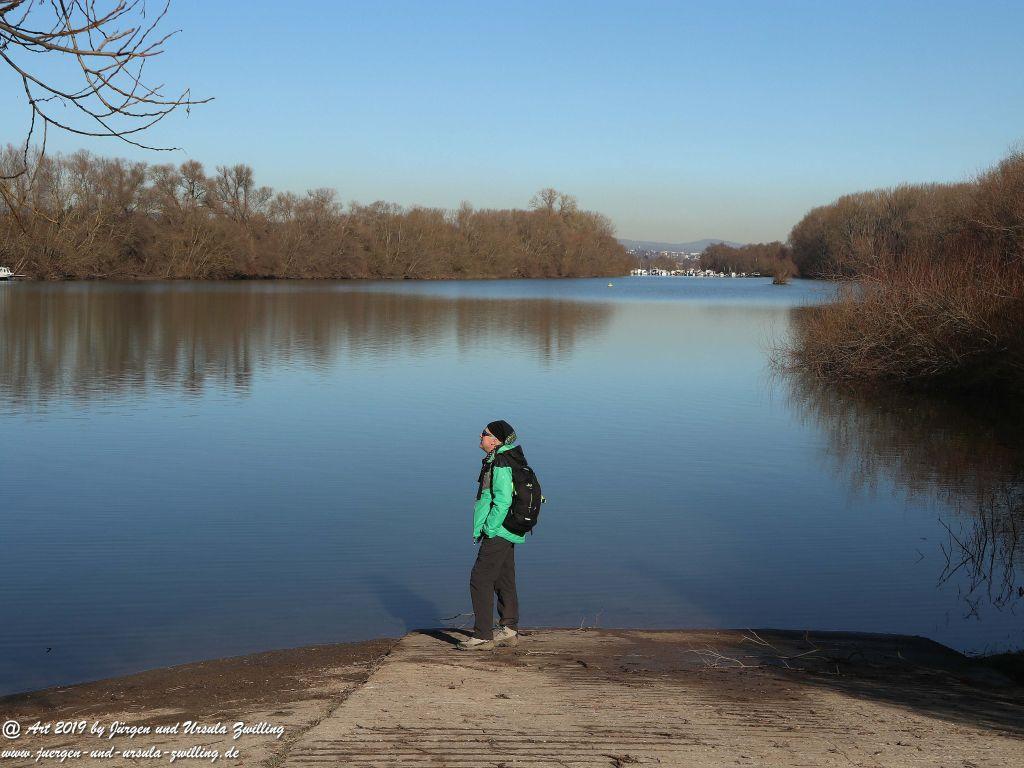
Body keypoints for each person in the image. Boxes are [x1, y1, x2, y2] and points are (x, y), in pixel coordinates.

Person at [457, 420, 527, 651]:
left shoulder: (500, 462)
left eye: (484, 433)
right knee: (504, 578)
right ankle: (509, 630)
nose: (480, 436)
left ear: (495, 440)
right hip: (508, 529)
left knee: (480, 578)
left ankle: (483, 636)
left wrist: (489, 528)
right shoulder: (505, 458)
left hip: (499, 529)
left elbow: (503, 500)